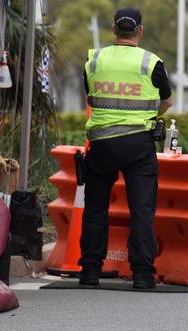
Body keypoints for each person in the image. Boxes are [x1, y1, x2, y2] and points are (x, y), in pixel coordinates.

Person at [79, 7, 172, 289]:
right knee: (142, 210)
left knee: (95, 208)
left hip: (101, 144)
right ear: (139, 31)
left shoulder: (94, 60)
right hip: (138, 145)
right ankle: (142, 275)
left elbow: (91, 97)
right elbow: (166, 101)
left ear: (113, 29)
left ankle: (90, 272)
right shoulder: (151, 62)